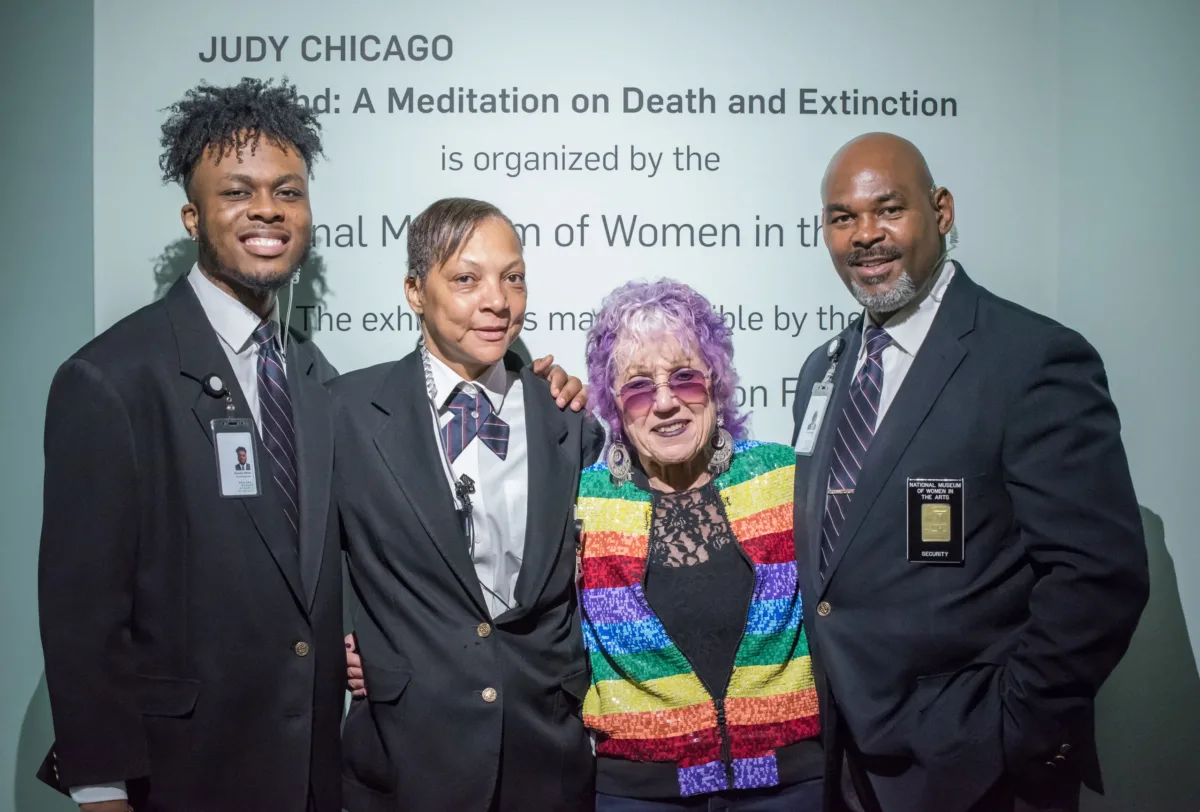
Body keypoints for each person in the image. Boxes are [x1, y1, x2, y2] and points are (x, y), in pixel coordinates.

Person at [37, 81, 584, 812]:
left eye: (287, 192)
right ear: (192, 216)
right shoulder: (111, 378)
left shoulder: (315, 376)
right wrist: (100, 788)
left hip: (316, 769)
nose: (267, 209)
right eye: (238, 192)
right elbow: (82, 613)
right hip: (186, 770)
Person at [789, 132, 1149, 812]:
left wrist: (1010, 731)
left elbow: (1100, 575)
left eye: (887, 209)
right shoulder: (824, 368)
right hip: (844, 767)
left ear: (942, 211)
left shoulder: (1030, 359)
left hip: (974, 774)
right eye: (842, 218)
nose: (865, 235)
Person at [334, 198, 597, 812]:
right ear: (414, 292)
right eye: (465, 279)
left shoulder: (569, 422)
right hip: (405, 760)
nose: (497, 301)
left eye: (513, 277)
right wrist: (338, 647)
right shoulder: (347, 413)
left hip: (547, 757)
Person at [576, 279, 824, 811]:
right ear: (615, 406)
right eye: (639, 386)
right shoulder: (584, 502)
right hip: (643, 793)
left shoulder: (782, 477)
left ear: (715, 382)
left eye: (685, 379)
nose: (665, 403)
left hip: (788, 785)